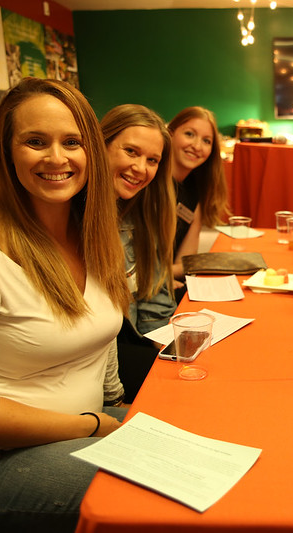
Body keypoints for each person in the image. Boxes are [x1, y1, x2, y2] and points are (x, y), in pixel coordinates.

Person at [0, 78, 130, 533]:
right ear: (6, 152)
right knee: (161, 494)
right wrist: (92, 424)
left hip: (85, 428)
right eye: (36, 141)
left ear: (91, 150)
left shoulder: (92, 233)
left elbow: (101, 336)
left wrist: (116, 407)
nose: (57, 158)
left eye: (72, 142)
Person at [102, 104, 177, 402]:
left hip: (131, 349)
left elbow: (152, 303)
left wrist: (171, 346)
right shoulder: (70, 219)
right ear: (100, 145)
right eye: (131, 152)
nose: (141, 168)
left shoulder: (139, 215)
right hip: (101, 369)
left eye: (152, 160)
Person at [168, 106, 230, 281]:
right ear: (170, 133)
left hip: (171, 281)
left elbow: (186, 261)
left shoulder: (195, 189)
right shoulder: (148, 182)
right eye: (189, 134)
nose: (197, 146)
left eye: (206, 141)